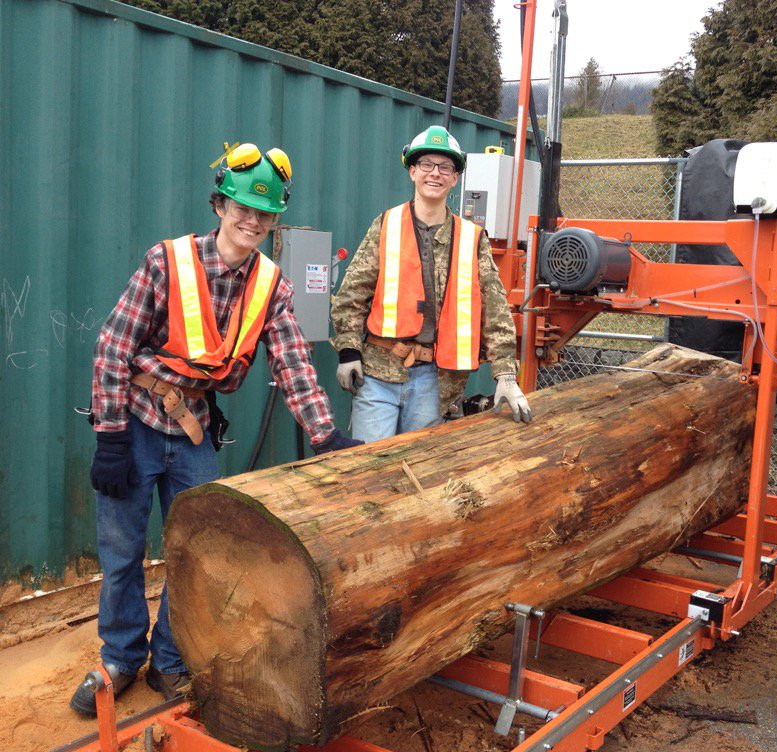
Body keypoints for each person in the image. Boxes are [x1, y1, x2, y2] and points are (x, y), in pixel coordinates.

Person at [70, 143, 360, 717]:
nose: (252, 221)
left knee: (196, 556)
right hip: (137, 423)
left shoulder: (272, 286)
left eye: (265, 213)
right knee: (123, 553)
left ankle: (170, 660)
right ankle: (120, 658)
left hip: (194, 432)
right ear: (220, 205)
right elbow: (112, 347)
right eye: (242, 208)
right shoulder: (168, 262)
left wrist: (325, 434)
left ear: (274, 221)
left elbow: (293, 362)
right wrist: (111, 437)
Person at [330, 125, 531, 441]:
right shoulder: (386, 225)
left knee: (420, 467)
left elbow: (495, 310)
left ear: (455, 178)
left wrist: (505, 374)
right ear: (412, 171)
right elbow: (352, 294)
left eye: (445, 167)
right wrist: (348, 351)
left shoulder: (472, 239)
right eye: (426, 164)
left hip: (434, 382)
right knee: (370, 466)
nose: (435, 173)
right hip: (378, 375)